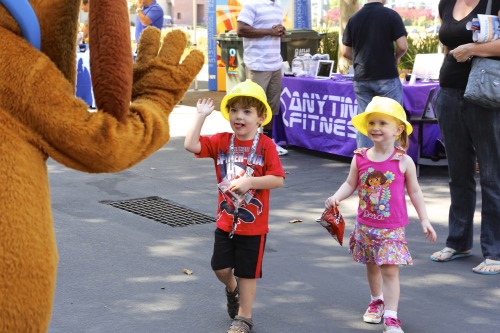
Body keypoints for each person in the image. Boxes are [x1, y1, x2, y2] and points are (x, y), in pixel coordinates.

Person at [325, 97, 437, 333]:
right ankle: (376, 300)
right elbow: (350, 183)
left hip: (392, 228)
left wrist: (425, 219)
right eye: (372, 122)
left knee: (389, 269)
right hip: (365, 226)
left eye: (382, 123)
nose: (375, 127)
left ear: (398, 130)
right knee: (372, 266)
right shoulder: (360, 157)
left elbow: (415, 191)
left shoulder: (404, 161)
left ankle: (392, 316)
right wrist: (336, 197)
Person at [184, 79, 285, 333]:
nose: (239, 116)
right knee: (220, 267)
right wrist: (200, 117)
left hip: (254, 225)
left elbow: (277, 179)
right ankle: (232, 290)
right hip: (226, 221)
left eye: (247, 112)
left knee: (247, 272)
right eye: (235, 110)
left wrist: (250, 181)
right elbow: (191, 145)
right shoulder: (221, 141)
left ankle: (244, 317)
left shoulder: (266, 146)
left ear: (261, 118)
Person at [429, 0, 500, 275]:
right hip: (448, 92)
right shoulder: (446, 3)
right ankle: (458, 242)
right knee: (458, 172)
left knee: (492, 174)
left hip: (485, 94)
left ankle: (494, 251)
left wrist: (473, 48)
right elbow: (447, 45)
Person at [342, 0, 408, 149]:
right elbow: (403, 46)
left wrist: (361, 59)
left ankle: (365, 162)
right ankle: (392, 163)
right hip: (386, 76)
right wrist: (396, 58)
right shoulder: (391, 15)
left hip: (361, 77)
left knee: (366, 121)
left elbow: (345, 52)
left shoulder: (354, 18)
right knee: (393, 119)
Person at [237, 0, 288, 156]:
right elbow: (241, 29)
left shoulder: (278, 7)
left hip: (275, 63)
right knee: (253, 106)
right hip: (258, 64)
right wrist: (270, 32)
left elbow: (272, 30)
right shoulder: (252, 5)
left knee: (271, 107)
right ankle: (249, 143)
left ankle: (268, 143)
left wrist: (280, 30)